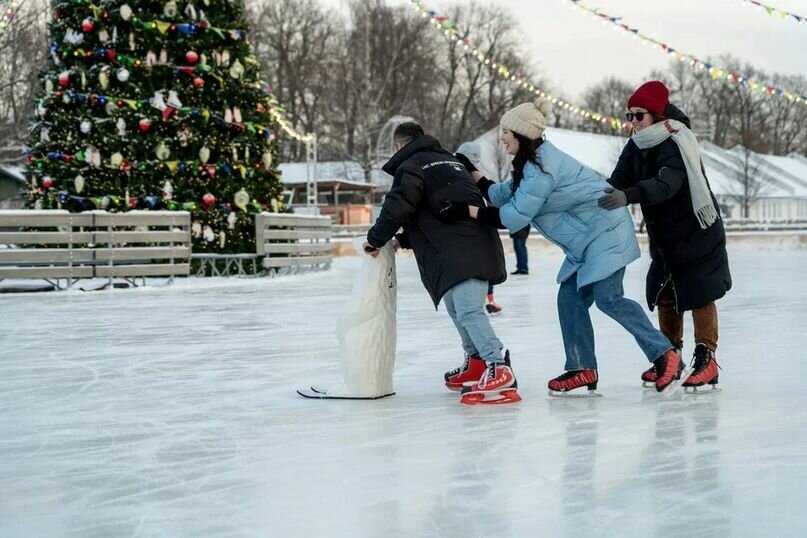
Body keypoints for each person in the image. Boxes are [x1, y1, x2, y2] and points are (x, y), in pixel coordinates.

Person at [440, 98, 684, 395]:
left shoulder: (543, 169)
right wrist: (471, 170)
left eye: (506, 132)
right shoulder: (531, 163)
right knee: (569, 298)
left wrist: (467, 211)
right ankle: (582, 367)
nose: (502, 137)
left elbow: (513, 217)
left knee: (609, 298)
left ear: (521, 135)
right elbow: (501, 194)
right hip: (589, 241)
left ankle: (665, 354)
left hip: (604, 234)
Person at [363, 122, 520, 405]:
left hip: (462, 248)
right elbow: (430, 210)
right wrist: (400, 241)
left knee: (470, 310)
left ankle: (498, 366)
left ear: (399, 146)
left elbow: (399, 204)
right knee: (456, 307)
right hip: (462, 247)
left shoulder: (412, 165)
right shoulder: (447, 160)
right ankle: (476, 362)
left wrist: (376, 238)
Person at [598, 80, 731, 391]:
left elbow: (666, 185)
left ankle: (706, 359)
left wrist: (629, 195)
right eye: (628, 116)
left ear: (656, 115)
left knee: (700, 293)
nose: (632, 122)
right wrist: (597, 194)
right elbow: (617, 180)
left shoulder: (676, 142)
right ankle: (669, 356)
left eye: (638, 115)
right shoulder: (635, 146)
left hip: (698, 231)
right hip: (665, 236)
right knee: (665, 294)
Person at [456, 141, 503, 315]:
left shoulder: (453, 172)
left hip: (472, 224)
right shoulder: (474, 175)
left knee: (479, 269)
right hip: (479, 225)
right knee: (484, 268)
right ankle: (484, 301)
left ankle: (485, 300)